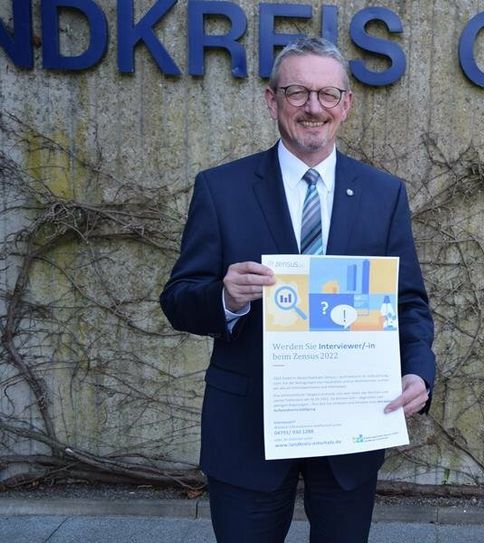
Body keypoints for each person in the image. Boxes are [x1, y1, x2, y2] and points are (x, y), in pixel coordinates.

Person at [160, 37, 435, 543]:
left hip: (349, 426)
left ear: (345, 105)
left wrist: (418, 371)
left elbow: (408, 301)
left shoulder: (383, 193)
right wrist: (226, 298)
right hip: (248, 431)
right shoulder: (221, 189)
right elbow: (178, 299)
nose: (314, 108)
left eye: (328, 94)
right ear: (272, 101)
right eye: (297, 93)